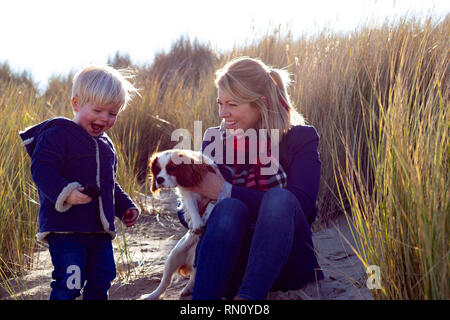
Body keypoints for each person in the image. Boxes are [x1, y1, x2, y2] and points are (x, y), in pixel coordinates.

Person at [180, 56, 324, 300]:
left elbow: (302, 206)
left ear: (261, 103)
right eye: (220, 103)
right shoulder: (215, 138)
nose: (223, 113)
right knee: (229, 209)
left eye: (232, 105)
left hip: (284, 264)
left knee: (280, 198)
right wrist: (198, 203)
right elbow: (187, 216)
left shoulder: (300, 138)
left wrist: (225, 191)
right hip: (227, 266)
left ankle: (248, 298)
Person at [19, 65, 140, 300]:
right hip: (66, 229)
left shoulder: (105, 145)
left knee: (103, 276)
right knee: (70, 281)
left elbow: (108, 184)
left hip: (99, 231)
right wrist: (67, 192)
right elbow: (42, 169)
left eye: (112, 113)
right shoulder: (58, 134)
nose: (104, 118)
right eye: (97, 110)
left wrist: (124, 207)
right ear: (76, 104)